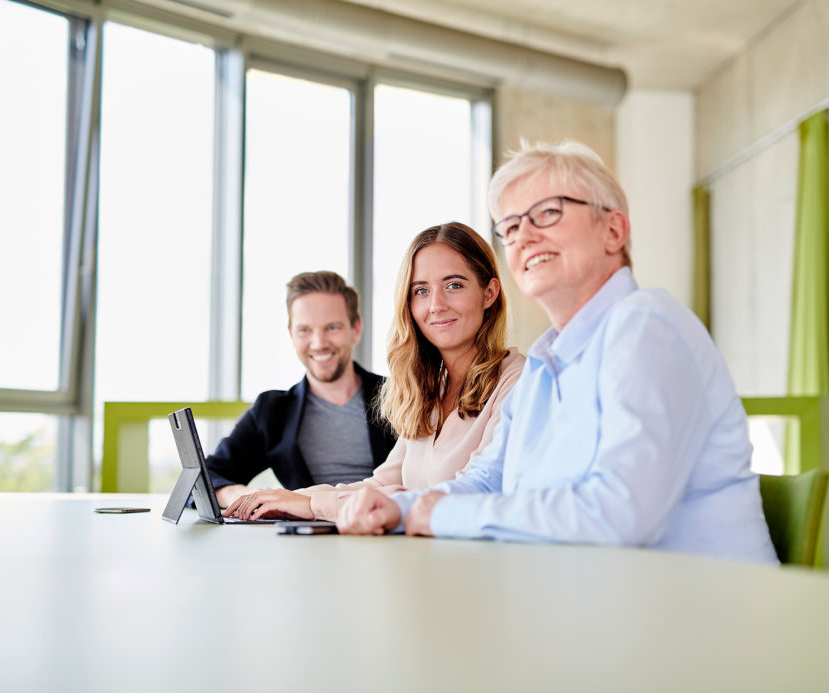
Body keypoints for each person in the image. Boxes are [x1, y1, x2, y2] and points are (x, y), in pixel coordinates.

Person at [338, 141, 779, 564]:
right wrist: (401, 509)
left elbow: (621, 512)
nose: (523, 236)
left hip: (702, 619)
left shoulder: (646, 323)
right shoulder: (545, 363)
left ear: (613, 230)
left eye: (547, 213)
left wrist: (438, 514)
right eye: (509, 227)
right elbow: (487, 478)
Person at [223, 222, 525, 522]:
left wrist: (315, 505)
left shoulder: (518, 380)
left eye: (454, 285)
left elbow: (472, 492)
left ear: (489, 293)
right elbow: (380, 484)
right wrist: (296, 498)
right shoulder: (428, 389)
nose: (436, 305)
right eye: (421, 290)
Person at [204, 271, 397, 509]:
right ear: (291, 334)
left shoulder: (400, 396)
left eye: (332, 328)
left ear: (355, 329)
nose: (318, 343)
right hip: (306, 539)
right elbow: (205, 477)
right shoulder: (273, 411)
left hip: (383, 531)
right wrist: (238, 494)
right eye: (305, 330)